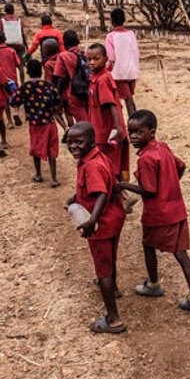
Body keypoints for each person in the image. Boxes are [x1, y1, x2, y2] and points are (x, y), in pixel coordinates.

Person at [116, 109, 190, 315]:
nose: (134, 137)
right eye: (131, 132)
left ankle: (154, 285)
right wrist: (171, 184)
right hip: (177, 209)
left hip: (158, 214)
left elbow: (149, 190)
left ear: (152, 132)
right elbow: (180, 166)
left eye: (139, 132)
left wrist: (124, 185)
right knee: (181, 253)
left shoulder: (146, 158)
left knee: (148, 245)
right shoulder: (163, 148)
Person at [66, 121, 126, 333]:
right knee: (109, 258)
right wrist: (77, 196)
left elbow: (101, 192)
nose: (73, 146)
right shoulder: (97, 156)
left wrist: (92, 220)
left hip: (102, 222)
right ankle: (114, 288)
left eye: (79, 142)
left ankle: (114, 319)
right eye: (70, 142)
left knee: (102, 269)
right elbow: (110, 182)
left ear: (91, 141)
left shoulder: (90, 165)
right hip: (114, 217)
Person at [9, 60, 66, 187]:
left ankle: (38, 174)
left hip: (35, 124)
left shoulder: (25, 86)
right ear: (41, 71)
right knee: (52, 149)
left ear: (28, 72)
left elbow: (14, 102)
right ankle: (53, 178)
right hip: (49, 122)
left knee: (35, 148)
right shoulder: (49, 85)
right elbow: (58, 100)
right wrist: (53, 109)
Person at [86, 43, 129, 182]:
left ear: (105, 59)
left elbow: (112, 105)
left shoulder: (103, 80)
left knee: (108, 167)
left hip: (107, 133)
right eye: (89, 59)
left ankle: (123, 196)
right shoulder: (95, 78)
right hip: (100, 130)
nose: (92, 62)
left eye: (96, 59)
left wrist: (118, 129)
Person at [105, 8, 140, 117]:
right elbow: (137, 53)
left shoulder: (111, 36)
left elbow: (111, 57)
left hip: (119, 73)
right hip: (132, 71)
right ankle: (135, 120)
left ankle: (133, 123)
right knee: (130, 98)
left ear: (112, 22)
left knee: (127, 100)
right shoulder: (131, 34)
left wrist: (107, 69)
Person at [53, 30, 89, 127]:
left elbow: (60, 78)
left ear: (65, 43)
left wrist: (58, 96)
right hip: (89, 91)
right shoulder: (85, 54)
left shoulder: (63, 56)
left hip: (75, 93)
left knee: (82, 122)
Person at [0, 30, 22, 129]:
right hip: (12, 78)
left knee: (5, 100)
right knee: (15, 97)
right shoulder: (11, 51)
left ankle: (9, 121)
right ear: (5, 38)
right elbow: (19, 64)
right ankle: (16, 112)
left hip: (1, 80)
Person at [0, 3, 28, 83]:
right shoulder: (19, 20)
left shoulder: (2, 21)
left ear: (5, 11)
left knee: (9, 66)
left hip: (8, 46)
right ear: (13, 10)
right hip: (20, 45)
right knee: (20, 66)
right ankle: (23, 83)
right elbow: (22, 33)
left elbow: (0, 33)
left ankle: (9, 82)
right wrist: (26, 46)